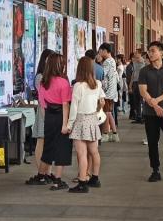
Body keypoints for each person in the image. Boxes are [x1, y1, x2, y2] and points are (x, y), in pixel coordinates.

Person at [138, 41, 163, 181]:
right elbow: (143, 91)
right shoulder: (144, 71)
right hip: (150, 113)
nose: (150, 53)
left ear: (161, 53)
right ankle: (155, 170)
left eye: (153, 51)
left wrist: (157, 100)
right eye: (149, 51)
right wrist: (155, 105)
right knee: (152, 142)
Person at [33, 52, 73, 190]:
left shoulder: (43, 82)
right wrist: (65, 124)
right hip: (61, 117)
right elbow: (65, 105)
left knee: (48, 148)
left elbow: (42, 105)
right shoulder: (63, 82)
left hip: (48, 117)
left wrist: (47, 120)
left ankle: (41, 175)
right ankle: (57, 180)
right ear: (59, 65)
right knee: (62, 148)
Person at [67, 55, 106, 192]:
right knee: (94, 152)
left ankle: (82, 182)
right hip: (93, 120)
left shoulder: (78, 86)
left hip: (80, 120)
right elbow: (102, 100)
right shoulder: (97, 84)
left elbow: (74, 108)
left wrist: (69, 125)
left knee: (82, 154)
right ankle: (95, 178)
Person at [24, 49, 55, 186]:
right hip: (43, 113)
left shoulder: (51, 76)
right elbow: (47, 94)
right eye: (51, 59)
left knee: (49, 144)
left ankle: (48, 172)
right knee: (41, 142)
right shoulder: (40, 77)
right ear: (45, 60)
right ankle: (41, 173)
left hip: (52, 113)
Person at [96, 43, 120, 142]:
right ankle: (114, 134)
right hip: (112, 92)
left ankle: (105, 134)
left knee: (106, 113)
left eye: (100, 51)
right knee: (109, 113)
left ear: (105, 51)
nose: (99, 53)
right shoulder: (112, 60)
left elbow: (102, 73)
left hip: (107, 92)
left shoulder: (107, 62)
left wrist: (98, 63)